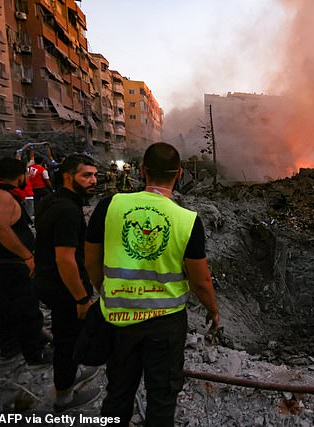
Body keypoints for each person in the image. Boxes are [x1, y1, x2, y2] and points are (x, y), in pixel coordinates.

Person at [85, 142, 220, 427]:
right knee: (162, 396)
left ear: (143, 171)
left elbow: (91, 261)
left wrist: (106, 291)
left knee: (118, 391)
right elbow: (200, 280)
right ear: (180, 174)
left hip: (118, 318)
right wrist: (212, 310)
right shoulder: (187, 220)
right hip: (165, 325)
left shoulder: (110, 205)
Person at [35, 154, 101, 412]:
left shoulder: (52, 200)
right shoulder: (67, 211)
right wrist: (82, 298)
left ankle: (73, 373)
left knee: (70, 336)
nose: (93, 180)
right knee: (66, 340)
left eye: (95, 175)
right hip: (65, 288)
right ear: (67, 176)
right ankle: (64, 396)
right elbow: (66, 259)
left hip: (50, 283)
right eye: (86, 175)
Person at [0, 158, 50, 366]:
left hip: (2, 264)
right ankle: (34, 352)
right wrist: (26, 256)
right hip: (8, 265)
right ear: (20, 176)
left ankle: (12, 347)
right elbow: (0, 228)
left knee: (6, 307)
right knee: (25, 308)